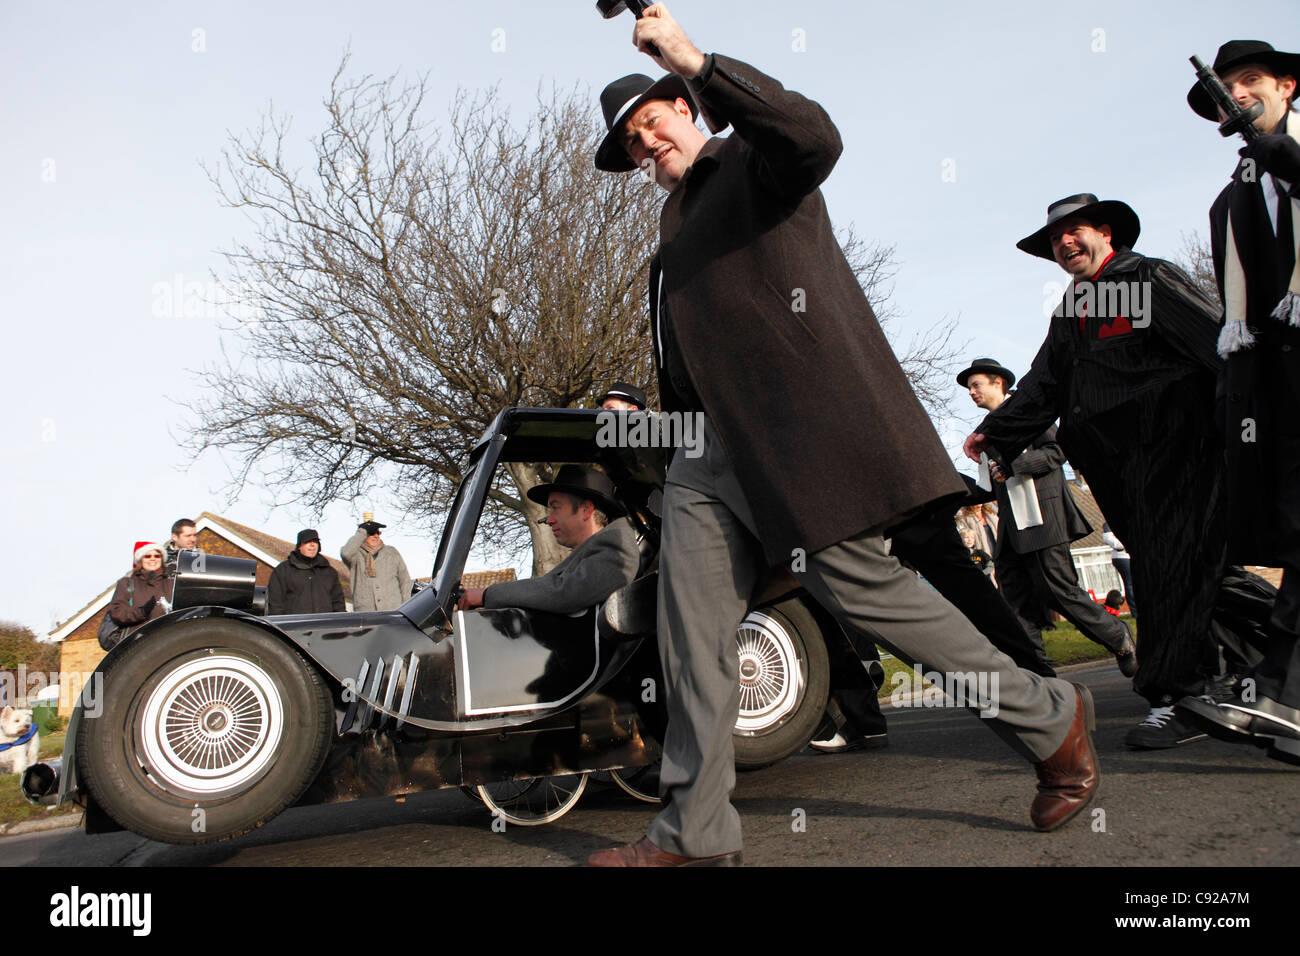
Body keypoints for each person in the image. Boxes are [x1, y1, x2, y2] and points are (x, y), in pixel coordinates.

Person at [587, 5, 1097, 867]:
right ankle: (694, 830)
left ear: (686, 107)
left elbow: (813, 135)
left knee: (872, 597)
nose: (645, 146)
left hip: (797, 446)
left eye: (652, 122)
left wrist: (693, 56)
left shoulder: (753, 160)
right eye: (630, 144)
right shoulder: (669, 235)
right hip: (709, 457)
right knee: (690, 631)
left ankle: (1050, 717)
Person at [963, 195, 1228, 749]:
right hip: (1116, 465)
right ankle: (1256, 662)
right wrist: (996, 431)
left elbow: (1219, 346)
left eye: (1074, 231)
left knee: (1164, 567)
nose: (1064, 245)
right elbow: (1044, 384)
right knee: (1190, 568)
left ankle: (1178, 695)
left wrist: (1247, 422)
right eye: (1055, 240)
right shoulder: (1070, 310)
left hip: (1176, 448)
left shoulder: (1147, 277)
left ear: (1105, 233)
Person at [1177, 41, 1300, 764]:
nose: (1239, 92)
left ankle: (1282, 690)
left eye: (1250, 81)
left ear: (1288, 85)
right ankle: (1282, 692)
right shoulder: (1232, 197)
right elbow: (1238, 316)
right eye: (1227, 87)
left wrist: (1273, 147)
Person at [959, 358, 1136, 678]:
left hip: (1043, 518)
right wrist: (948, 483)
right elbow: (989, 488)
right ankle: (1038, 675)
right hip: (1011, 529)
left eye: (976, 385)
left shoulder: (1027, 413)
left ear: (998, 383)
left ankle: (1117, 636)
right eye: (969, 388)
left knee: (1060, 592)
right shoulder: (984, 431)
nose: (971, 392)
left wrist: (1016, 466)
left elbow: (1057, 452)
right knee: (1013, 603)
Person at [457, 465, 639, 615]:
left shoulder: (617, 548)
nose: (549, 519)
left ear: (586, 510)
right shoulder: (594, 555)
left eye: (555, 508)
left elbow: (565, 593)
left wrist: (487, 595)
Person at [267, 529, 345, 615]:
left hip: (325, 626)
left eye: (315, 542)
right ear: (299, 546)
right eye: (308, 541)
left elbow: (338, 604)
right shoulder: (283, 571)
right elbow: (275, 604)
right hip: (294, 626)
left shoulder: (330, 572)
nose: (312, 545)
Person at [342, 518, 413, 612]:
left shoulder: (391, 552)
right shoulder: (356, 555)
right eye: (371, 533)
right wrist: (363, 531)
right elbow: (345, 553)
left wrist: (406, 609)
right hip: (366, 614)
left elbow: (405, 582)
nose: (376, 536)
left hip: (393, 612)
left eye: (378, 532)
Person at [108, 542, 173, 632]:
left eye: (157, 556)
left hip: (168, 639)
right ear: (140, 560)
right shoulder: (127, 584)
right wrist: (142, 612)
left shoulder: (172, 583)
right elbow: (117, 613)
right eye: (147, 556)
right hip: (138, 641)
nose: (152, 559)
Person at [1102, 522, 1136, 616]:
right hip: (1122, 557)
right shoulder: (1108, 525)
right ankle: (1135, 611)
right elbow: (1113, 542)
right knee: (1130, 583)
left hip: (1129, 556)